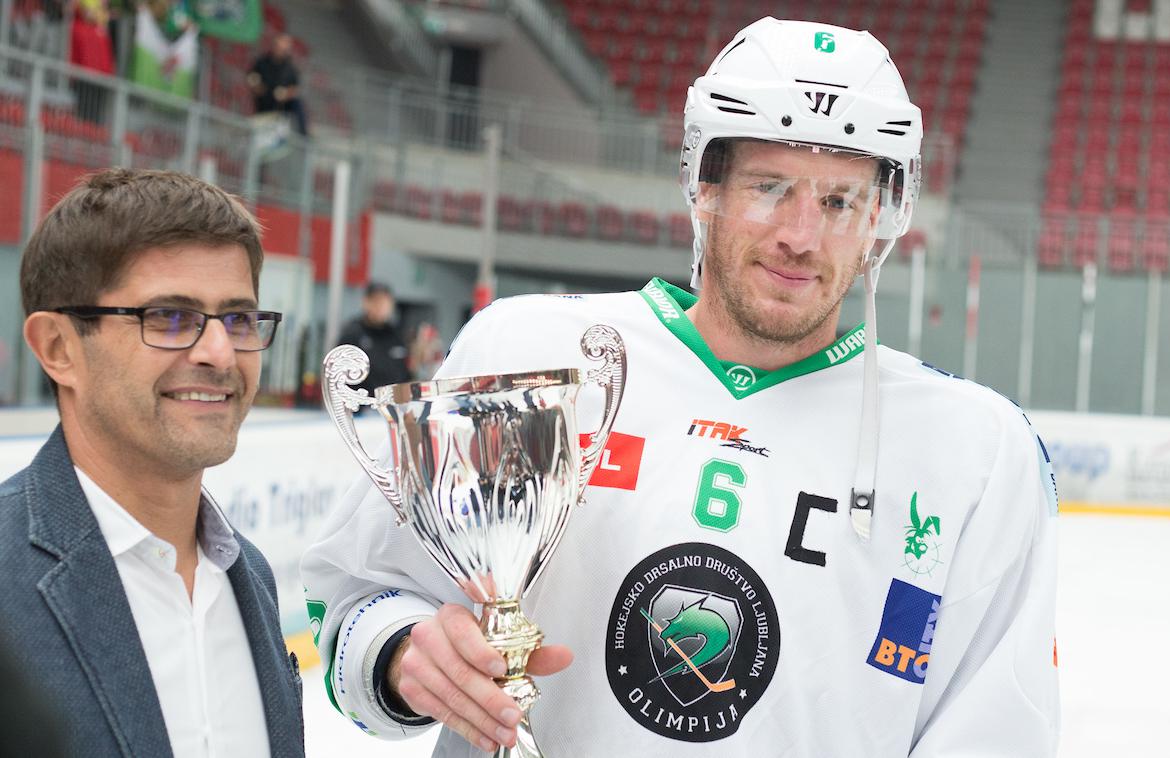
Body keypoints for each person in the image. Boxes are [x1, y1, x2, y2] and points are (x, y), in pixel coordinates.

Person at [302, 18, 1060, 756]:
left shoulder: (978, 453)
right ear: (705, 187)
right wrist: (404, 657)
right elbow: (357, 597)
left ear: (880, 220)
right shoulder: (529, 352)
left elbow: (999, 727)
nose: (801, 235)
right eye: (770, 187)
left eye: (838, 201)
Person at [3, 168, 305, 756]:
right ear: (59, 349)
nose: (220, 353)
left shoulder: (251, 577)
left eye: (239, 320)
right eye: (169, 317)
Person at [336, 281, 413, 394]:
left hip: (394, 406)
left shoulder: (397, 336)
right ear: (365, 302)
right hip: (361, 407)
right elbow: (339, 376)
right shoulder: (352, 335)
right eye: (376, 301)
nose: (380, 306)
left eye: (384, 301)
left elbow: (406, 375)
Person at [247, 33, 309, 137]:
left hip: (281, 109)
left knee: (296, 104)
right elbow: (251, 76)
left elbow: (295, 88)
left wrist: (285, 94)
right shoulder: (262, 62)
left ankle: (304, 136)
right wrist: (257, 86)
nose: (282, 50)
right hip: (264, 103)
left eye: (285, 48)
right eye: (280, 46)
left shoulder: (290, 68)